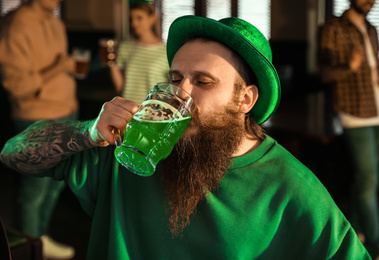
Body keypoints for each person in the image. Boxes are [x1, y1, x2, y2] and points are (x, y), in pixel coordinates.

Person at [0, 15, 371, 259]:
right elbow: (13, 153)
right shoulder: (129, 148)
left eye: (204, 82)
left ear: (246, 99)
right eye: (177, 78)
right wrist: (87, 132)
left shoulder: (290, 187)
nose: (182, 93)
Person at [0, 0, 77, 259]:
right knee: (35, 189)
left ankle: (41, 238)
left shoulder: (55, 21)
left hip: (66, 111)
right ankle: (31, 248)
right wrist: (59, 68)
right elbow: (17, 86)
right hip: (37, 118)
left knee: (56, 182)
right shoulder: (15, 26)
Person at [317, 0, 379, 258]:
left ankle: (357, 231)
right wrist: (349, 68)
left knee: (365, 179)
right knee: (369, 179)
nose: (371, 1)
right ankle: (375, 246)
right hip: (354, 112)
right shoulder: (333, 27)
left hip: (375, 108)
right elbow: (324, 74)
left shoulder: (370, 28)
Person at [109, 1, 169, 104]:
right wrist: (110, 62)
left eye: (139, 18)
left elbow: (170, 89)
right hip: (127, 109)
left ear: (152, 18)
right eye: (130, 19)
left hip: (153, 112)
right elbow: (120, 87)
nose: (134, 23)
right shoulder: (125, 47)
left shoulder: (166, 51)